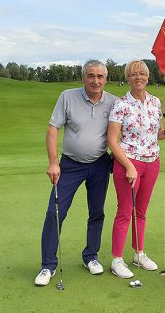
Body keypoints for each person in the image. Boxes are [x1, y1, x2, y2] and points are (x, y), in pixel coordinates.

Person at [35, 60, 118, 286]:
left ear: (106, 79)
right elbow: (53, 129)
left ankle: (91, 256)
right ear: (83, 78)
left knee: (97, 212)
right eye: (91, 75)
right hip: (70, 165)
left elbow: (131, 130)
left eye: (100, 76)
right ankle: (48, 265)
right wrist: (53, 162)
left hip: (100, 164)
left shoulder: (114, 102)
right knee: (55, 212)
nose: (95, 80)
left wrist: (162, 132)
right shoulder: (67, 97)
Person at [107, 60, 165, 279]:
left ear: (148, 77)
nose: (139, 77)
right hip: (128, 163)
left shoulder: (155, 102)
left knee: (142, 212)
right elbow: (112, 140)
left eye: (143, 74)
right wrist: (129, 166)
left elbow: (156, 134)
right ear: (127, 78)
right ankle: (117, 260)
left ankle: (139, 253)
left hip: (152, 162)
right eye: (134, 74)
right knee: (125, 211)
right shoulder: (121, 104)